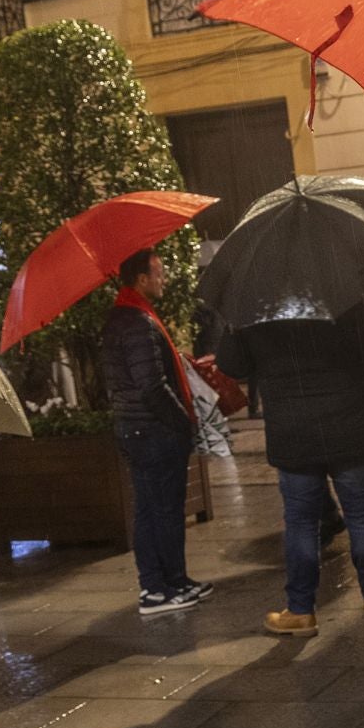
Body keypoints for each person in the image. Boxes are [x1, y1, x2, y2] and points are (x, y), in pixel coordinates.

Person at [216, 302, 364, 636]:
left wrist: (234, 322)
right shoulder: (342, 297)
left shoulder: (259, 307)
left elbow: (232, 364)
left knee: (301, 521)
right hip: (350, 424)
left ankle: (301, 610)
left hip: (294, 431)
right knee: (362, 515)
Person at [101, 249, 212, 617]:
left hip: (139, 429)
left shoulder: (128, 317)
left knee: (153, 508)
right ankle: (157, 588)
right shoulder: (136, 322)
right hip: (152, 431)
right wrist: (182, 421)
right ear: (142, 279)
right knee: (161, 510)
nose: (163, 279)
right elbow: (151, 385)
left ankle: (173, 581)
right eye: (159, 273)